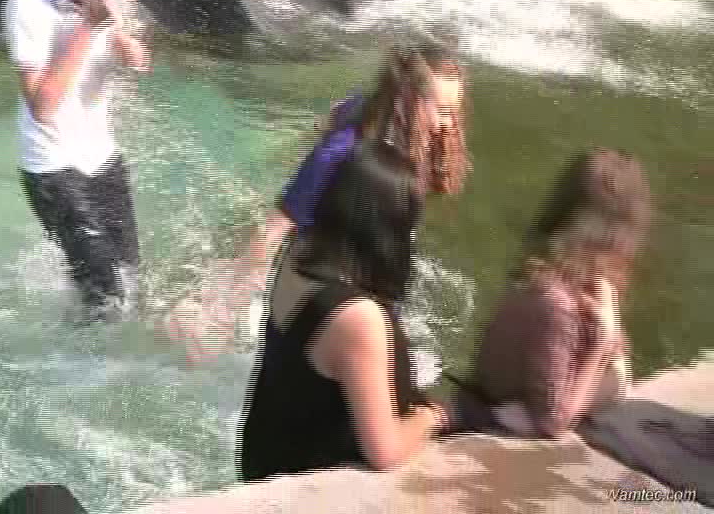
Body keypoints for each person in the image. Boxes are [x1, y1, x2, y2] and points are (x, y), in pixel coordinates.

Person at [167, 43, 469, 359]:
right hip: (322, 257)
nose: (450, 123)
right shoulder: (344, 151)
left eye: (454, 111)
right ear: (409, 99)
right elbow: (276, 226)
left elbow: (338, 111)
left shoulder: (381, 114)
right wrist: (227, 309)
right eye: (443, 111)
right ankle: (192, 315)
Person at [236, 142, 466, 481]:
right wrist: (436, 416)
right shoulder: (358, 317)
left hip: (263, 458)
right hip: (311, 481)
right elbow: (384, 451)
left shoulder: (296, 256)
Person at [2, 0, 150, 321]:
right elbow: (43, 107)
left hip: (102, 155)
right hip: (52, 167)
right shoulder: (27, 2)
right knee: (105, 296)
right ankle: (77, 355)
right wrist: (89, 25)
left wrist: (125, 45)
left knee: (132, 279)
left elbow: (115, 34)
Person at [474, 148, 653, 438]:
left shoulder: (536, 271)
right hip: (504, 413)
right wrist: (602, 344)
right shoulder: (557, 301)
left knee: (618, 375)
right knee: (618, 378)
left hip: (500, 397)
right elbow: (553, 422)